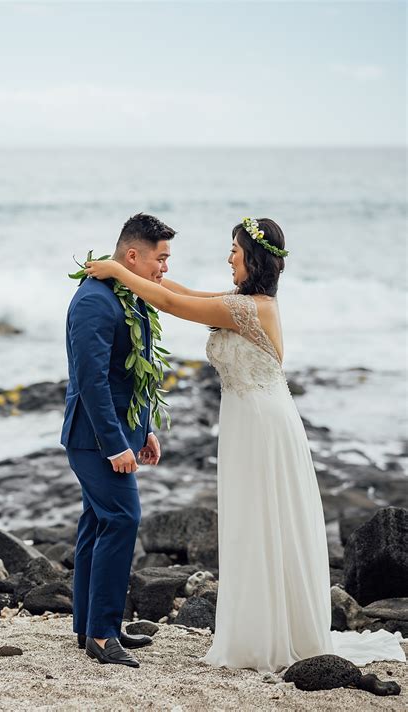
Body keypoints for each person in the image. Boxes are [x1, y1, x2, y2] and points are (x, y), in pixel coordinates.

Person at [86, 217, 406, 672]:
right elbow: (182, 290)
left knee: (262, 517)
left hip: (261, 423)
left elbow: (173, 304)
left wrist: (118, 273)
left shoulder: (251, 310)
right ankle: (261, 622)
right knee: (253, 520)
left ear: (252, 257)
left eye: (233, 249)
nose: (228, 257)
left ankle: (272, 633)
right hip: (247, 419)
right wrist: (132, 268)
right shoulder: (243, 301)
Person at [61, 213, 175, 668]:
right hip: (92, 439)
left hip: (118, 433)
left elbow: (128, 374)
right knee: (124, 519)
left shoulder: (129, 295)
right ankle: (105, 636)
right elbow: (90, 382)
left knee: (97, 522)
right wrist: (114, 444)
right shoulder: (94, 301)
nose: (164, 269)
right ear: (132, 255)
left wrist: (143, 428)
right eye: (160, 259)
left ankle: (87, 626)